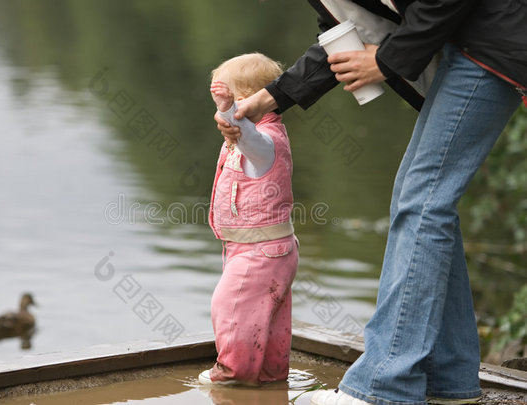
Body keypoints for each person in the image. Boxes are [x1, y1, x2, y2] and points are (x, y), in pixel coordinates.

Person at [215, 1, 526, 404]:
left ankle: (384, 386)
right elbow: (340, 35)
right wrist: (268, 99)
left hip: (494, 44)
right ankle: (448, 379)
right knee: (419, 200)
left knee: (423, 202)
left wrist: (387, 60)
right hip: (468, 48)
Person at [199, 52, 299, 386]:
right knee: (265, 319)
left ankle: (233, 374)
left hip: (261, 251)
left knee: (232, 305)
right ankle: (270, 376)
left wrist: (230, 110)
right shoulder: (241, 141)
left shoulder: (266, 142)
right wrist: (226, 112)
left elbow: (250, 138)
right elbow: (239, 133)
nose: (225, 115)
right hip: (257, 248)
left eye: (234, 103)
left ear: (254, 103)